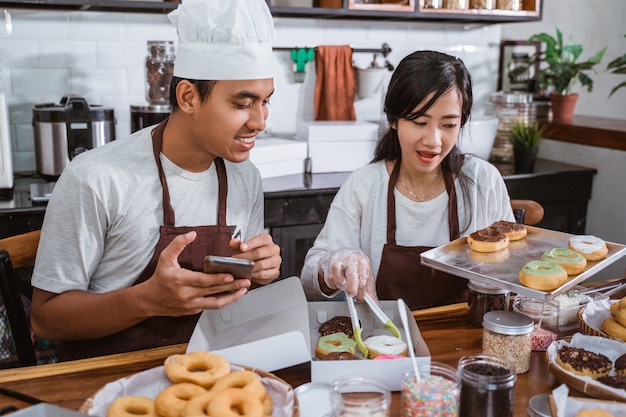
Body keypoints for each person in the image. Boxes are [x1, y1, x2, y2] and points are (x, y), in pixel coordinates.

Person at [29, 0, 281, 360]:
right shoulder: (96, 178)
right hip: (106, 379)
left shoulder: (245, 177)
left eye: (266, 101)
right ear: (188, 97)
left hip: (210, 369)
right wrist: (147, 299)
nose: (260, 121)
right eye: (243, 104)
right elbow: (46, 319)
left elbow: (233, 301)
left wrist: (257, 272)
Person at [300, 50, 516, 311]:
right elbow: (310, 280)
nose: (433, 141)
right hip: (385, 342)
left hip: (465, 340)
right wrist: (334, 263)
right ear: (394, 119)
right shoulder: (365, 186)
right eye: (419, 122)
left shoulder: (483, 181)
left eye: (448, 125)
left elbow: (512, 271)